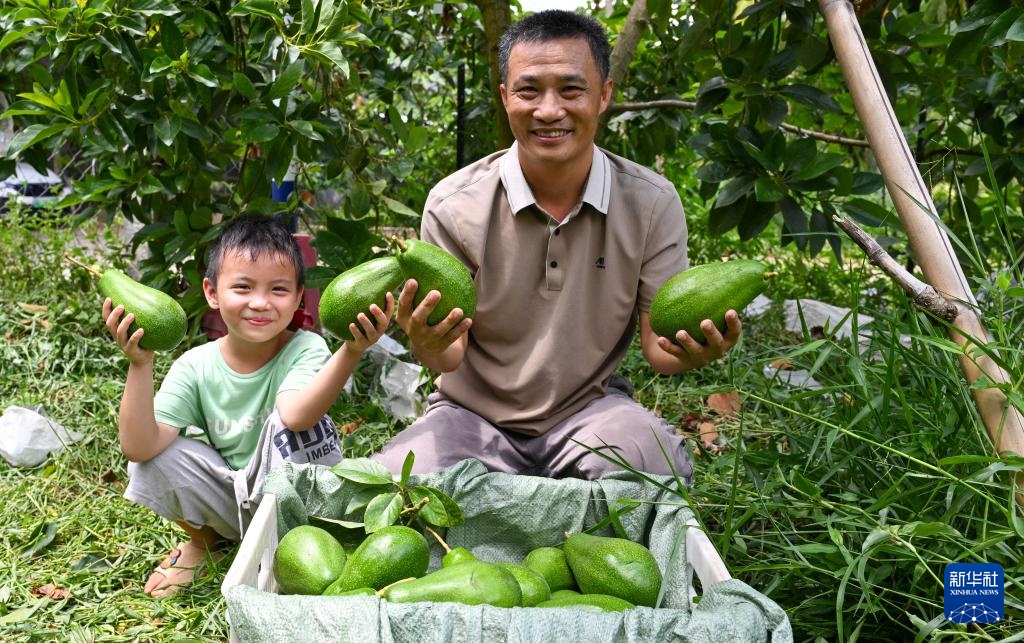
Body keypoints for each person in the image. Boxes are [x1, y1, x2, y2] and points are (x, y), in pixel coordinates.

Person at [373, 9, 742, 480]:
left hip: (591, 416)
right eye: (529, 91)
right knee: (399, 487)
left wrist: (696, 349)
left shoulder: (651, 203)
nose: (549, 111)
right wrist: (426, 343)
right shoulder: (453, 205)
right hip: (470, 419)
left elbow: (659, 351)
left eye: (571, 90)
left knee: (656, 473)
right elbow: (449, 354)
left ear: (604, 94)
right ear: (505, 97)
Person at [102, 214, 393, 597]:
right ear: (212, 292)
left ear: (298, 298)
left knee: (284, 424)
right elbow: (139, 447)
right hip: (234, 497)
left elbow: (296, 416)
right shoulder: (195, 365)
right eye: (242, 287)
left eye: (278, 289)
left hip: (303, 503)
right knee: (153, 460)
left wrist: (352, 350)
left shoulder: (306, 347)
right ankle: (205, 542)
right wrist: (141, 364)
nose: (260, 303)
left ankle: (294, 549)